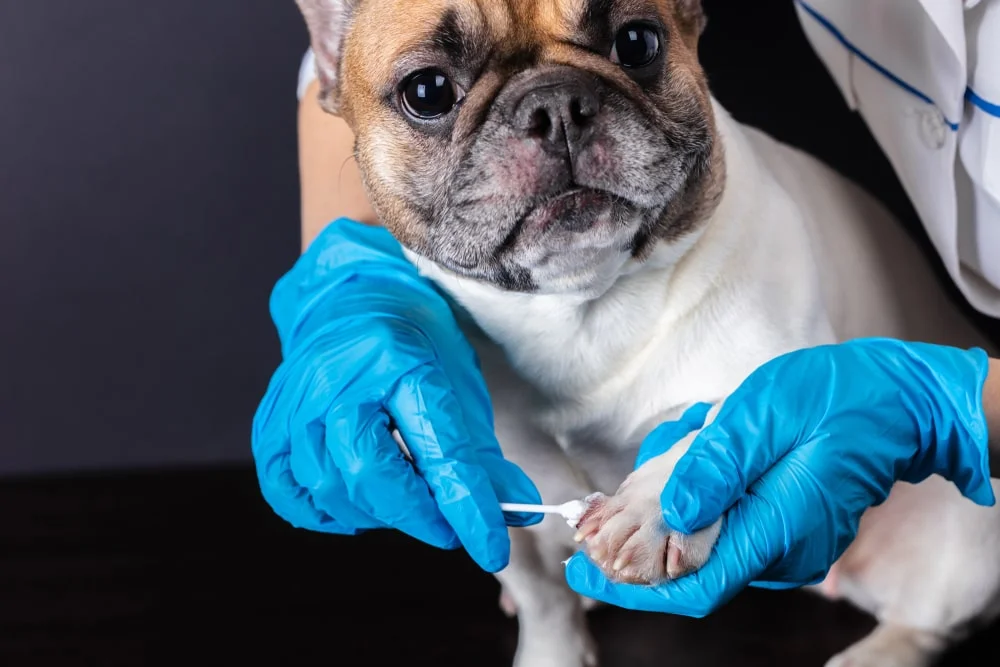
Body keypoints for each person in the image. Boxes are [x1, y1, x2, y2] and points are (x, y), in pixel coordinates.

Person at [251, 1, 1000, 613]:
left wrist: (946, 406)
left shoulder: (765, 240)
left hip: (941, 479)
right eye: (432, 94)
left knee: (954, 577)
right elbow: (373, 49)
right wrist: (342, 277)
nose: (555, 121)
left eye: (633, 45)